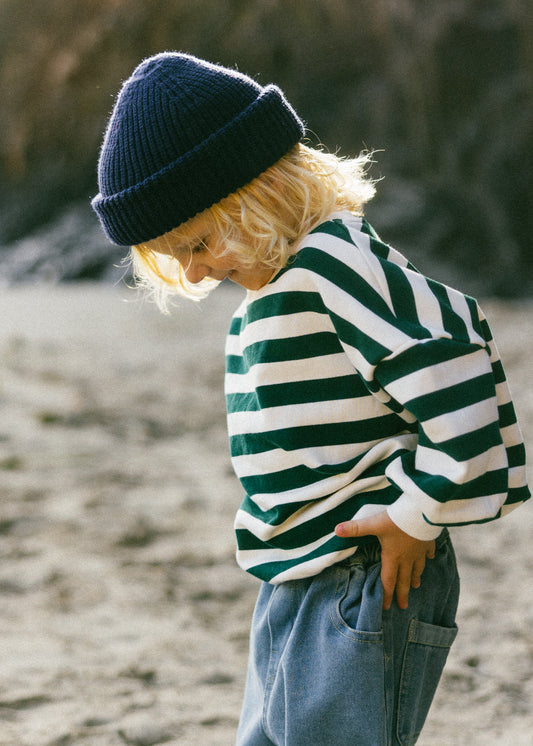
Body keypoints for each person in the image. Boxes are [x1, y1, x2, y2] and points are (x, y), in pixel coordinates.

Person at [91, 52, 530, 746]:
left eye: (198, 242)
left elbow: (460, 375)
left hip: (364, 576)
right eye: (176, 257)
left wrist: (418, 514)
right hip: (293, 576)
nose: (196, 270)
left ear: (257, 191)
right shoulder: (282, 288)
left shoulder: (337, 267)